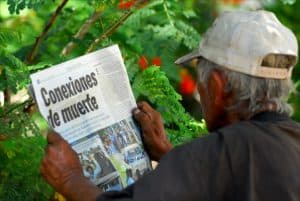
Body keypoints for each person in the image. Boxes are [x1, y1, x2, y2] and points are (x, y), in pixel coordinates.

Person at [40, 10, 300, 201]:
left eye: (202, 78)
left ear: (218, 87)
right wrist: (170, 156)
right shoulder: (291, 141)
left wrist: (69, 179)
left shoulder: (218, 152)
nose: (199, 87)